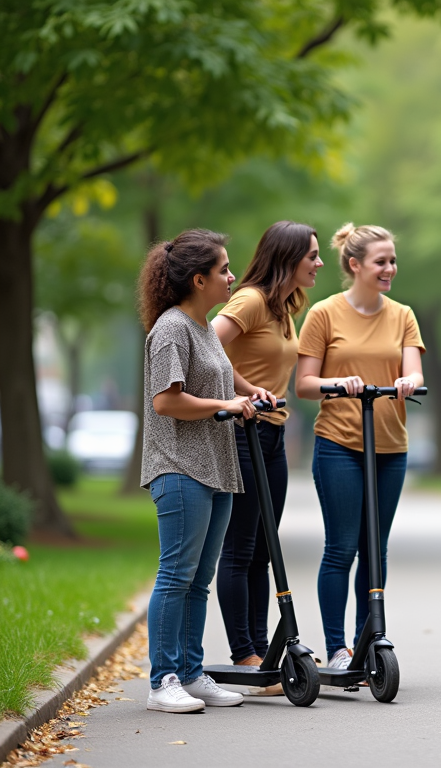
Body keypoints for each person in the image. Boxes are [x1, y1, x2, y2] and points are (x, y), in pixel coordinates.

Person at [295, 222, 425, 670]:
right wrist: (338, 383)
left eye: (392, 260)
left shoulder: (403, 314)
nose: (390, 268)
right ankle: (336, 649)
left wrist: (409, 381)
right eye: (381, 261)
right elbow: (305, 385)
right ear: (355, 265)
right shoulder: (324, 314)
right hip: (339, 445)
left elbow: (414, 373)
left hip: (391, 445)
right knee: (341, 547)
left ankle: (368, 641)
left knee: (376, 549)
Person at [138, 229, 257, 713]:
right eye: (225, 269)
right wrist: (223, 404)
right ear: (199, 278)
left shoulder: (204, 327)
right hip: (179, 467)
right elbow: (166, 400)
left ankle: (190, 672)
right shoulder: (171, 328)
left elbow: (221, 380)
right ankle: (162, 680)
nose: (232, 277)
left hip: (215, 467)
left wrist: (249, 396)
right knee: (176, 574)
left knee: (199, 578)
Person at [211, 221, 323, 691]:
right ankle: (246, 653)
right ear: (288, 257)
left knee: (262, 549)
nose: (319, 263)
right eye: (312, 255)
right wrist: (240, 395)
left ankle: (263, 653)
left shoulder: (285, 307)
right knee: (239, 549)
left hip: (272, 437)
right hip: (241, 434)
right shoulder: (252, 299)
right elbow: (206, 343)